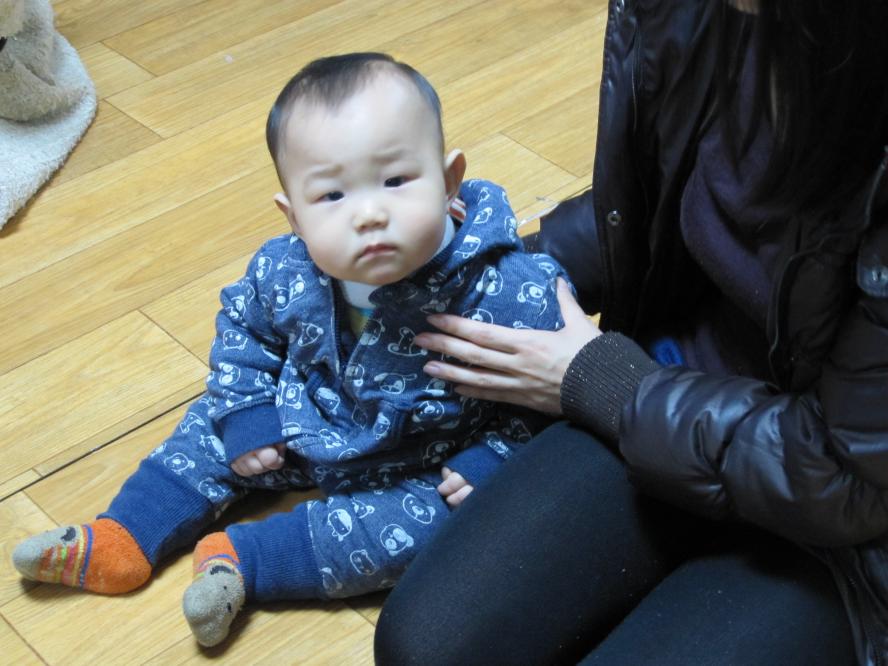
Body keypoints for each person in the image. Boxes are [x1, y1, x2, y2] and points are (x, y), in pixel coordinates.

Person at [374, 1, 888, 664]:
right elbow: (662, 196)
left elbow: (846, 476)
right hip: (674, 388)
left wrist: (598, 380)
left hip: (846, 526)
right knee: (427, 646)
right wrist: (496, 274)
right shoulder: (718, 16)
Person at [12, 52, 569, 648]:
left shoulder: (508, 289)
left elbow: (550, 393)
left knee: (442, 525)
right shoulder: (284, 269)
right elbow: (244, 334)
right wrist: (249, 412)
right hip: (304, 415)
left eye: (396, 181)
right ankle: (123, 537)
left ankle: (243, 563)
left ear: (450, 178)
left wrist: (494, 458)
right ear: (294, 216)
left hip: (425, 459)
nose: (369, 213)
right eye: (331, 195)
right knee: (210, 424)